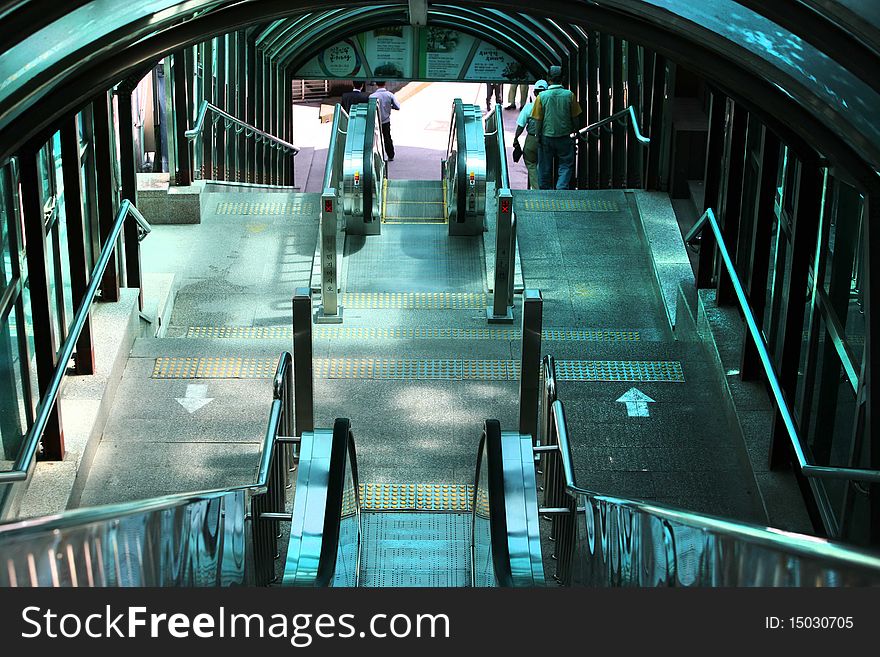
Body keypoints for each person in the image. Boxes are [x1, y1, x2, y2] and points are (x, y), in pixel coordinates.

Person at [530, 66, 582, 190]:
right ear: (562, 78)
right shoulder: (569, 95)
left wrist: (537, 136)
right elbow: (575, 117)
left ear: (548, 79)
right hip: (564, 136)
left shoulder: (541, 97)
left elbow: (538, 119)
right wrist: (576, 130)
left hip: (546, 137)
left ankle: (545, 191)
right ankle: (561, 187)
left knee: (544, 166)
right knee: (566, 164)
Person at [512, 80, 548, 190]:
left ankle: (536, 190)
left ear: (535, 93)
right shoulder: (550, 106)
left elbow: (520, 126)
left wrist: (516, 138)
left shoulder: (529, 107)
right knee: (545, 164)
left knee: (531, 165)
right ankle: (546, 187)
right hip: (548, 138)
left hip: (532, 139)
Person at [369, 81, 400, 161]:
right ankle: (390, 155)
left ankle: (374, 156)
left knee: (374, 139)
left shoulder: (372, 96)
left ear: (376, 84)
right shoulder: (389, 95)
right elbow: (397, 106)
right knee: (387, 138)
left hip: (375, 121)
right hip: (386, 121)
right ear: (385, 83)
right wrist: (390, 106)